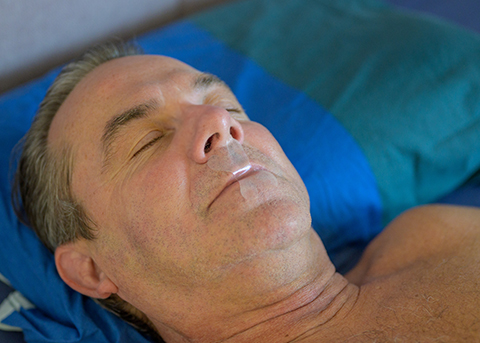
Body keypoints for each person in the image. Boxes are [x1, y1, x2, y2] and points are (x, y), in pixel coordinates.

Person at [14, 41, 480, 342]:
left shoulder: (431, 236)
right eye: (146, 142)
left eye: (225, 104)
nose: (221, 123)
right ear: (92, 269)